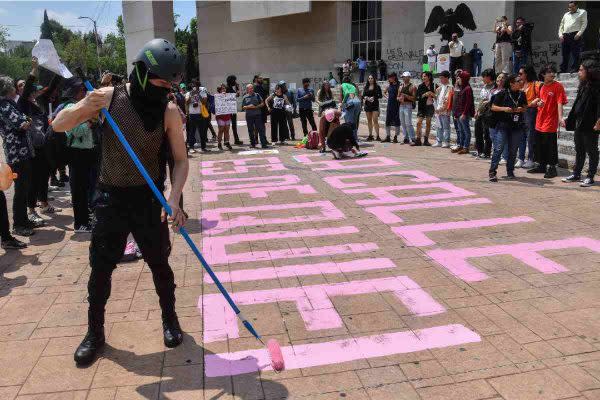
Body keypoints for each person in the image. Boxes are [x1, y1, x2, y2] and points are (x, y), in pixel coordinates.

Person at [53, 39, 189, 366]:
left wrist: (173, 199)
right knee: (101, 268)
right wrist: (85, 105)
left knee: (160, 263)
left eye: (170, 84)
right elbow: (59, 125)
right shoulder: (109, 98)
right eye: (160, 82)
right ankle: (94, 333)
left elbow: (181, 161)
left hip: (148, 197)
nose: (165, 89)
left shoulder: (169, 110)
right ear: (142, 73)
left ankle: (170, 320)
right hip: (110, 197)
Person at [17, 58, 61, 225]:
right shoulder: (22, 104)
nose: (26, 88)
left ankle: (44, 204)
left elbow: (51, 88)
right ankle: (31, 210)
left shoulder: (39, 102)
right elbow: (28, 86)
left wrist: (58, 70)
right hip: (31, 148)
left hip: (43, 146)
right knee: (33, 180)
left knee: (43, 176)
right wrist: (34, 70)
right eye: (21, 86)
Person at [0, 75, 35, 238]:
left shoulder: (9, 104)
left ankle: (23, 220)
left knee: (25, 187)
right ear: (8, 89)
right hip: (16, 154)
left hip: (20, 152)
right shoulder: (4, 106)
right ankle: (19, 224)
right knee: (21, 189)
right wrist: (26, 120)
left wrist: (26, 120)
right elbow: (23, 124)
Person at [61, 77, 96, 233]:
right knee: (78, 191)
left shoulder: (82, 107)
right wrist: (90, 122)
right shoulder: (70, 108)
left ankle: (85, 218)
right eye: (82, 90)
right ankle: (80, 223)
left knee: (87, 188)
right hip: (76, 154)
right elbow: (76, 131)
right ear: (75, 92)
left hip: (87, 152)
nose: (84, 92)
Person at [562, 60, 600, 187]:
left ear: (589, 71)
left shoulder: (596, 86)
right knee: (579, 149)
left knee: (592, 150)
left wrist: (598, 122)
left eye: (581, 70)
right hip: (580, 123)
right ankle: (576, 173)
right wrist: (570, 118)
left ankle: (590, 176)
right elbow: (577, 105)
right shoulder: (583, 85)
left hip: (590, 124)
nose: (579, 72)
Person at [527, 65, 567, 178]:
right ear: (543, 74)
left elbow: (560, 103)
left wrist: (560, 118)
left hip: (550, 120)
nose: (552, 74)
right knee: (539, 144)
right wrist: (537, 103)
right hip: (540, 120)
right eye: (549, 72)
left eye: (553, 72)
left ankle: (552, 168)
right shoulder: (541, 86)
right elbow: (539, 99)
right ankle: (542, 165)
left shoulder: (558, 86)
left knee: (550, 145)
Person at [488, 74, 528, 182]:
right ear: (511, 83)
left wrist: (521, 109)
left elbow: (525, 107)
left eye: (521, 80)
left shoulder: (522, 94)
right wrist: (504, 109)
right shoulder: (502, 94)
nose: (521, 82)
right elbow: (493, 107)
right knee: (498, 148)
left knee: (513, 150)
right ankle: (492, 172)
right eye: (518, 80)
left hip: (517, 126)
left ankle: (510, 171)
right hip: (503, 125)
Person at [518, 65, 541, 169]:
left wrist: (532, 103)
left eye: (521, 73)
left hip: (531, 111)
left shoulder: (535, 84)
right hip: (521, 111)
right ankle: (521, 158)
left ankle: (531, 159)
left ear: (527, 73)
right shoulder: (521, 84)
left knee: (530, 136)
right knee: (521, 135)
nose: (519, 75)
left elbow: (539, 97)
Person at [559, 1, 588, 73]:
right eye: (569, 7)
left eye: (572, 7)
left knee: (576, 53)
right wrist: (560, 35)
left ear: (576, 6)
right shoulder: (566, 14)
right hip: (565, 35)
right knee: (564, 54)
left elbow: (584, 23)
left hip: (575, 35)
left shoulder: (582, 12)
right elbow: (561, 25)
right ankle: (563, 69)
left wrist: (579, 34)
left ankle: (575, 68)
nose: (570, 8)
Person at [473, 68, 496, 158]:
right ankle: (479, 150)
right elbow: (481, 100)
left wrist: (488, 101)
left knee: (487, 133)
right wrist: (477, 111)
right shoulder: (484, 87)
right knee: (478, 131)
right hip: (481, 112)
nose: (482, 79)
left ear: (489, 77)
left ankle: (486, 152)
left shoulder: (495, 88)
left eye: (484, 77)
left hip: (489, 112)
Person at [452, 70, 475, 154]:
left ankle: (466, 147)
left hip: (464, 113)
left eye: (459, 78)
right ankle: (460, 145)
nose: (458, 80)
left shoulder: (468, 88)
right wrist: (455, 113)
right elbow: (457, 101)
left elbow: (468, 102)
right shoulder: (461, 88)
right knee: (460, 130)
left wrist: (464, 113)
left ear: (464, 79)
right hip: (458, 113)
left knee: (466, 130)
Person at [184, 81, 208, 153]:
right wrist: (191, 95)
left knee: (202, 131)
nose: (194, 87)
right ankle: (191, 147)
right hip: (192, 114)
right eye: (193, 86)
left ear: (198, 86)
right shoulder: (188, 93)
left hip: (200, 114)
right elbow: (186, 102)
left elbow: (204, 102)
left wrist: (198, 94)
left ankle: (203, 147)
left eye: (196, 86)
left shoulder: (202, 92)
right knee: (192, 131)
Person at [242, 83, 268, 148]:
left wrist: (255, 107)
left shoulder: (257, 95)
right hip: (249, 116)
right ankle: (253, 144)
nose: (251, 89)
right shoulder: (245, 97)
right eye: (249, 88)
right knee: (250, 130)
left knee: (260, 129)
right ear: (247, 90)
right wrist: (249, 106)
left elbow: (262, 104)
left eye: (252, 88)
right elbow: (243, 107)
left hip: (257, 115)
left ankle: (263, 144)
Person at [414, 71, 437, 146]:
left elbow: (438, 97)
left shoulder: (434, 86)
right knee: (418, 122)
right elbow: (417, 97)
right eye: (422, 76)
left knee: (428, 123)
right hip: (422, 107)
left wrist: (432, 94)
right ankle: (418, 139)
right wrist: (424, 94)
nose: (423, 78)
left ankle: (426, 140)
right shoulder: (420, 86)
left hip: (430, 106)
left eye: (424, 76)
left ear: (429, 77)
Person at [434, 70, 453, 148]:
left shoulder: (450, 88)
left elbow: (448, 100)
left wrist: (442, 109)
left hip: (445, 111)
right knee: (438, 126)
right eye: (440, 78)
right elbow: (437, 98)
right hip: (438, 110)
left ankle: (446, 141)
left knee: (446, 127)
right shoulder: (440, 88)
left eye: (442, 78)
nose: (440, 80)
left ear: (446, 78)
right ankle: (439, 141)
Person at [362, 74, 383, 141]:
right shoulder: (366, 87)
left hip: (375, 105)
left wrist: (374, 97)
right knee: (369, 120)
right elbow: (363, 95)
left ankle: (377, 136)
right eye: (369, 78)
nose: (370, 79)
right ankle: (370, 135)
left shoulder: (377, 86)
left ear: (374, 79)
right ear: (368, 79)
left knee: (375, 120)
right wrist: (366, 97)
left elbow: (380, 95)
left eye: (371, 78)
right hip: (367, 105)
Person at [398, 71, 416, 144]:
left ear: (408, 77)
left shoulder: (412, 86)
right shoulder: (401, 86)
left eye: (405, 77)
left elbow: (414, 98)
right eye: (403, 77)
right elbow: (397, 96)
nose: (403, 78)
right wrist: (398, 98)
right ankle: (406, 137)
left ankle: (412, 138)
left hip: (408, 105)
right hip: (401, 105)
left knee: (408, 123)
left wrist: (406, 96)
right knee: (403, 123)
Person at [215, 84, 233, 151]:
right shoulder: (217, 97)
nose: (224, 90)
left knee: (227, 130)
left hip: (227, 116)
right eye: (222, 89)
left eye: (225, 88)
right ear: (219, 90)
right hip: (220, 116)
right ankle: (219, 143)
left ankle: (227, 142)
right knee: (221, 130)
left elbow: (232, 103)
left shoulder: (229, 96)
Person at [383, 72, 400, 143]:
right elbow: (384, 92)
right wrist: (387, 97)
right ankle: (388, 136)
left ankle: (396, 136)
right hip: (389, 105)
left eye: (391, 77)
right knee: (388, 121)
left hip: (397, 105)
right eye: (389, 77)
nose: (389, 79)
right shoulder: (388, 86)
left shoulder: (399, 85)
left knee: (396, 121)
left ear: (394, 77)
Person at [225, 75, 243, 145]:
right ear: (231, 81)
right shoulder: (227, 88)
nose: (235, 82)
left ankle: (235, 139)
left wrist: (237, 88)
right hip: (229, 110)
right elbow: (235, 95)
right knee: (228, 126)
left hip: (231, 109)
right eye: (234, 80)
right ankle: (228, 140)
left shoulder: (230, 88)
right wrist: (237, 89)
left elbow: (236, 95)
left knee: (232, 125)